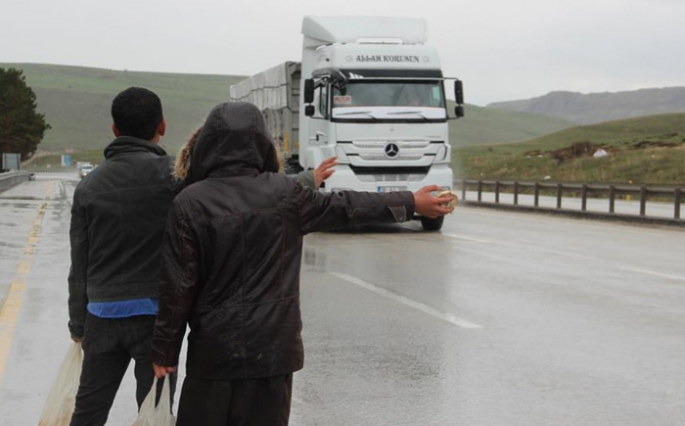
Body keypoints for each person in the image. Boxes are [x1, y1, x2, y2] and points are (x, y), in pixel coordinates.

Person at [150, 102, 456, 425]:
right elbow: (347, 207)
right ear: (263, 143)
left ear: (206, 144)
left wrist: (165, 351)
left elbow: (177, 286)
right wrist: (411, 202)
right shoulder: (286, 194)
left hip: (213, 357)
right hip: (273, 356)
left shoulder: (189, 203)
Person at [67, 87, 179, 425]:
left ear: (115, 129)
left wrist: (77, 324)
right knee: (154, 411)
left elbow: (80, 263)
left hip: (101, 315)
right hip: (156, 320)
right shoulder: (173, 176)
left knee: (88, 413)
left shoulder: (88, 187)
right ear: (162, 125)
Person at [174, 125, 336, 188]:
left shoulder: (188, 198)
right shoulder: (269, 195)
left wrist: (310, 178)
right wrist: (310, 178)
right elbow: (277, 190)